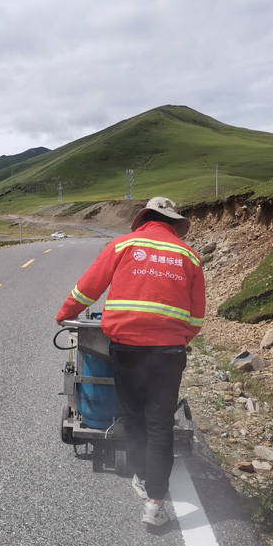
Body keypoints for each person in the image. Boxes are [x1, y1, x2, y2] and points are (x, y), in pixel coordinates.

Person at [56, 197, 206, 526]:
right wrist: (178, 341)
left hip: (126, 349)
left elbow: (88, 289)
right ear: (173, 223)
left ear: (145, 219)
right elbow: (197, 316)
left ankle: (141, 475)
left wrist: (65, 314)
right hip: (168, 353)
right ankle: (155, 504)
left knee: (135, 418)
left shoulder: (124, 244)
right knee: (160, 424)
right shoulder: (188, 255)